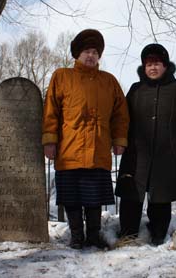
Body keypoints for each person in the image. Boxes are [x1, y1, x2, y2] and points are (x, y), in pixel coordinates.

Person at [42, 29, 129, 249]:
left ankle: (93, 235)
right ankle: (77, 236)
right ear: (77, 54)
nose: (91, 56)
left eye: (95, 52)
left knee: (94, 198)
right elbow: (51, 110)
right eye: (86, 51)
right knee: (71, 198)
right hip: (69, 149)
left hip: (98, 150)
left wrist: (119, 139)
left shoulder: (109, 81)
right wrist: (49, 140)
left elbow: (120, 114)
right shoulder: (61, 76)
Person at [115, 43, 176, 246]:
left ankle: (158, 234)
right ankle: (128, 234)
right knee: (131, 195)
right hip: (136, 154)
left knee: (161, 197)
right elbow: (123, 117)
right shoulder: (136, 89)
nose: (153, 68)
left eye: (157, 64)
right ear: (144, 67)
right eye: (149, 64)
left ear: (165, 66)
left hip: (166, 153)